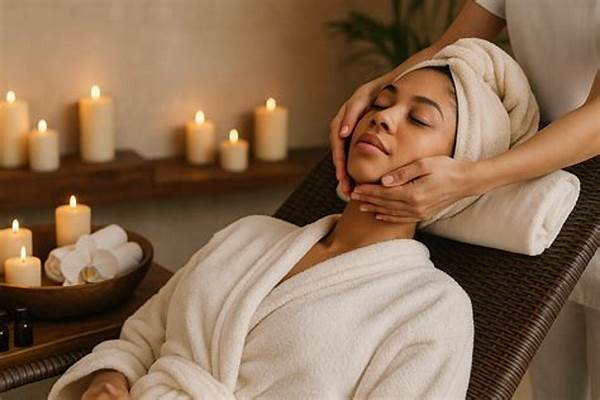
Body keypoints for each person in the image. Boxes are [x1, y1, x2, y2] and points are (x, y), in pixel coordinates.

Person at [330, 1, 600, 399]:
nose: (382, 117)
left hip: (576, 189)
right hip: (547, 204)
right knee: (555, 389)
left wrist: (472, 177)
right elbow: (451, 44)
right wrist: (374, 90)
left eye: (419, 119)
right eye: (384, 107)